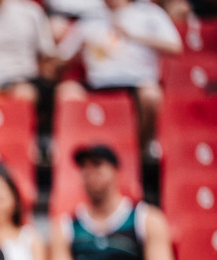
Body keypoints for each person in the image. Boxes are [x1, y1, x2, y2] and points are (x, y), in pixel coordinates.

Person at [55, 0, 182, 156]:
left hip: (137, 81)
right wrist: (77, 53)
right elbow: (59, 59)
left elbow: (175, 47)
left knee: (151, 96)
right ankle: (75, 151)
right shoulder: (90, 18)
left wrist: (132, 36)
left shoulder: (149, 13)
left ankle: (140, 150)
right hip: (98, 82)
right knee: (66, 91)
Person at [50, 144, 176, 260]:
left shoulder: (146, 219)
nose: (90, 173)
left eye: (97, 165)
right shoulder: (66, 227)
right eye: (85, 168)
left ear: (116, 172)